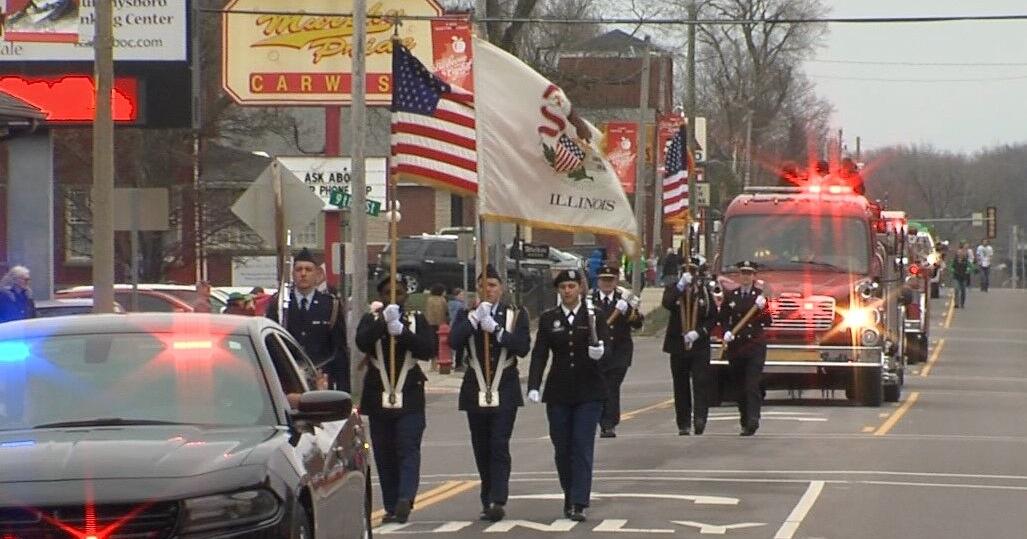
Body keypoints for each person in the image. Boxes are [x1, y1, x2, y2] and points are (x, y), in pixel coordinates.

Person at [449, 266, 530, 522]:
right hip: (475, 386)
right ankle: (487, 497)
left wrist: (496, 330)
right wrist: (474, 321)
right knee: (481, 446)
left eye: (493, 285)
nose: (488, 290)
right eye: (483, 286)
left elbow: (522, 347)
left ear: (501, 288)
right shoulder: (466, 314)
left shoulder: (515, 316)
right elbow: (453, 342)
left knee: (498, 443)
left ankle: (498, 498)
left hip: (504, 385)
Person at [528, 269, 608, 522]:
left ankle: (579, 502)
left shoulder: (593, 316)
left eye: (572, 286)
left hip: (588, 390)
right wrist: (533, 384)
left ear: (580, 288)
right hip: (559, 391)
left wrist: (601, 353)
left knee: (582, 445)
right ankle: (568, 494)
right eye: (563, 287)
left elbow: (609, 346)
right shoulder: (550, 318)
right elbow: (540, 353)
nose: (567, 291)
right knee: (562, 448)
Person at [356, 275, 434, 524]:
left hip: (409, 395)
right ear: (380, 296)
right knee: (384, 453)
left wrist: (400, 331)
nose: (394, 298)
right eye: (388, 293)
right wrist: (383, 324)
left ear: (406, 296)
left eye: (398, 293)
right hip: (378, 396)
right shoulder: (370, 320)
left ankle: (405, 498)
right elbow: (361, 342)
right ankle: (391, 506)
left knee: (408, 448)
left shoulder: (416, 320)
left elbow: (427, 349)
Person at [266, 248, 351, 391]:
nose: (303, 274)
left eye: (308, 269)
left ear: (317, 274)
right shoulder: (279, 305)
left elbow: (339, 350)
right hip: (287, 378)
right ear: (293, 274)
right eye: (299, 269)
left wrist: (343, 389)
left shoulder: (331, 305)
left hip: (320, 379)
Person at [662, 257, 719, 436]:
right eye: (688, 271)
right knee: (680, 385)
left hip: (699, 345)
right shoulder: (674, 290)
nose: (691, 274)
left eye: (694, 271)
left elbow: (712, 318)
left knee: (701, 383)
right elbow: (667, 303)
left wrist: (699, 332)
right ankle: (683, 423)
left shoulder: (704, 293)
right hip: (678, 344)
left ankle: (700, 418)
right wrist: (680, 287)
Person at [719, 261, 773, 436]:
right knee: (740, 386)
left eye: (749, 274)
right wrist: (726, 332)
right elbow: (724, 318)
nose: (745, 277)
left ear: (754, 276)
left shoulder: (760, 296)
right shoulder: (731, 295)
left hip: (754, 345)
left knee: (752, 384)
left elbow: (767, 321)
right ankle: (744, 420)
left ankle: (753, 419)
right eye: (743, 273)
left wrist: (763, 306)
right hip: (736, 346)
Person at [591, 265, 644, 438]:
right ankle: (601, 420)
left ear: (615, 281)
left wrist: (628, 311)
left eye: (610, 280)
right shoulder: (590, 300)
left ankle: (609, 424)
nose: (607, 284)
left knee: (612, 387)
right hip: (597, 351)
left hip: (619, 351)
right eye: (603, 280)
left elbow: (637, 324)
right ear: (598, 281)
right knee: (599, 387)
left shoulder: (624, 299)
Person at [424, 283, 449, 362]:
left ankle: (433, 361)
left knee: (432, 341)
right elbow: (446, 311)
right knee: (440, 342)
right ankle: (440, 359)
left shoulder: (429, 299)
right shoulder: (442, 300)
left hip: (430, 323)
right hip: (440, 323)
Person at [448, 288, 468, 370]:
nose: (463, 297)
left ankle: (452, 362)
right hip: (459, 325)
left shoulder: (450, 303)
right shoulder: (460, 305)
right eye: (461, 295)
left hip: (451, 324)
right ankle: (459, 364)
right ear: (457, 295)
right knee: (460, 346)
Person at [949, 243, 974, 308]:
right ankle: (956, 303)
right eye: (959, 253)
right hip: (956, 276)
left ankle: (962, 303)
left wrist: (968, 270)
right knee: (956, 289)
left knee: (963, 290)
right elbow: (951, 266)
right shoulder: (954, 261)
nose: (960, 254)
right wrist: (952, 270)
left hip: (963, 277)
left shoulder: (966, 261)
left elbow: (970, 266)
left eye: (962, 254)